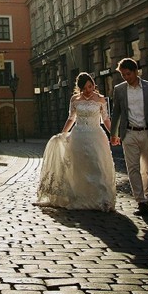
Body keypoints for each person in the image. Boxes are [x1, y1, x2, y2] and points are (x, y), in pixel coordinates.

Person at [35, 72, 116, 211]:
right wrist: (63, 133)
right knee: (79, 168)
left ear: (93, 85)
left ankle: (102, 199)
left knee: (97, 166)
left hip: (96, 136)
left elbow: (106, 119)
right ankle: (80, 196)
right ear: (80, 88)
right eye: (84, 88)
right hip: (78, 136)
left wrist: (113, 134)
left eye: (90, 86)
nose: (88, 90)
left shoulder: (101, 99)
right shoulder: (75, 100)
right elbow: (71, 118)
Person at [110, 57, 148, 216]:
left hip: (147, 133)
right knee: (132, 168)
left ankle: (144, 195)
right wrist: (114, 134)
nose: (126, 78)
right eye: (123, 75)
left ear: (135, 71)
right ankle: (141, 201)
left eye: (128, 74)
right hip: (129, 134)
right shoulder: (119, 89)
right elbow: (116, 113)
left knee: (146, 169)